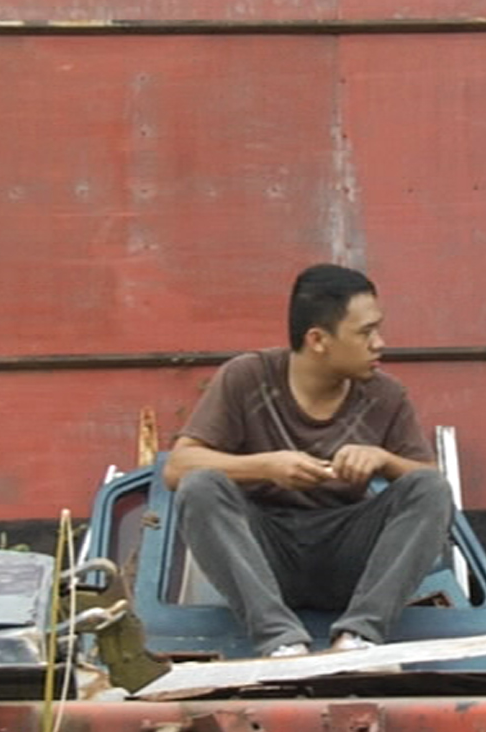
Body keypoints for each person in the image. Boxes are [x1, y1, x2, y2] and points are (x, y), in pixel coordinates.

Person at [162, 264, 453, 659]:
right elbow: (178, 467)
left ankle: (359, 639)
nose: (379, 344)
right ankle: (282, 644)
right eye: (365, 333)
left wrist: (383, 459)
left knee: (430, 488)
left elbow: (430, 482)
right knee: (200, 485)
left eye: (378, 330)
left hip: (350, 557)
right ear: (318, 339)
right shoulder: (247, 377)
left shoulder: (386, 395)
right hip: (265, 558)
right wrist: (267, 467)